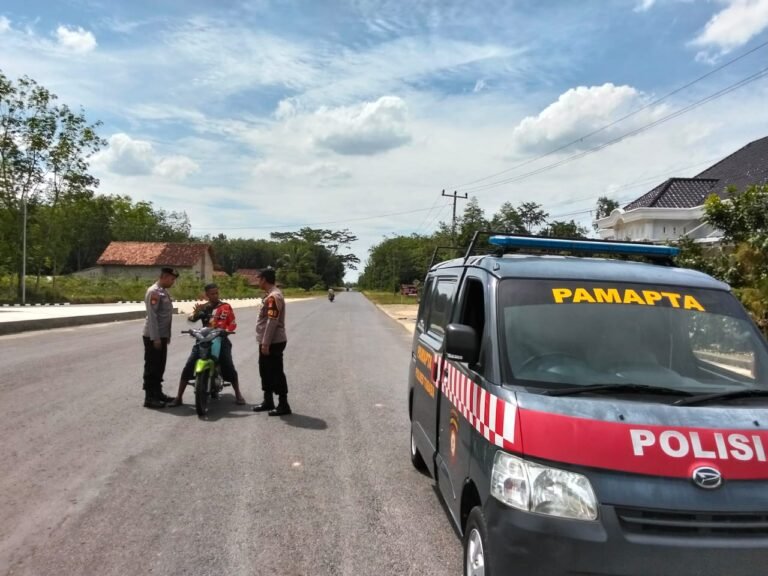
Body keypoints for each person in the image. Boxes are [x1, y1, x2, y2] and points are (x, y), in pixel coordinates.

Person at [170, 283, 246, 406]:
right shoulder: (204, 307)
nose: (215, 295)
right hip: (204, 339)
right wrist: (194, 313)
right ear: (207, 295)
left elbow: (232, 322)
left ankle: (238, 394)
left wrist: (227, 330)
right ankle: (179, 397)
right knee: (189, 364)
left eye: (216, 293)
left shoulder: (225, 307)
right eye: (212, 293)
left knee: (228, 364)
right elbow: (191, 320)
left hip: (220, 339)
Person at [252, 267, 291, 416]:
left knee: (276, 372)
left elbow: (272, 321)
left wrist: (266, 343)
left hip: (273, 341)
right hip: (267, 340)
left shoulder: (274, 296)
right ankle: (268, 401)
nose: (258, 282)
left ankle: (283, 404)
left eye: (259, 279)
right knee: (265, 371)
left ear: (264, 279)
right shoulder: (270, 295)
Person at [142, 267, 178, 408]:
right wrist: (156, 338)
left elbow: (165, 317)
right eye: (171, 279)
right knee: (152, 367)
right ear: (163, 276)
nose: (173, 282)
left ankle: (158, 393)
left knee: (159, 366)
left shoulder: (163, 292)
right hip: (153, 336)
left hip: (161, 335)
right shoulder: (154, 292)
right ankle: (149, 398)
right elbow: (152, 317)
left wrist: (166, 336)